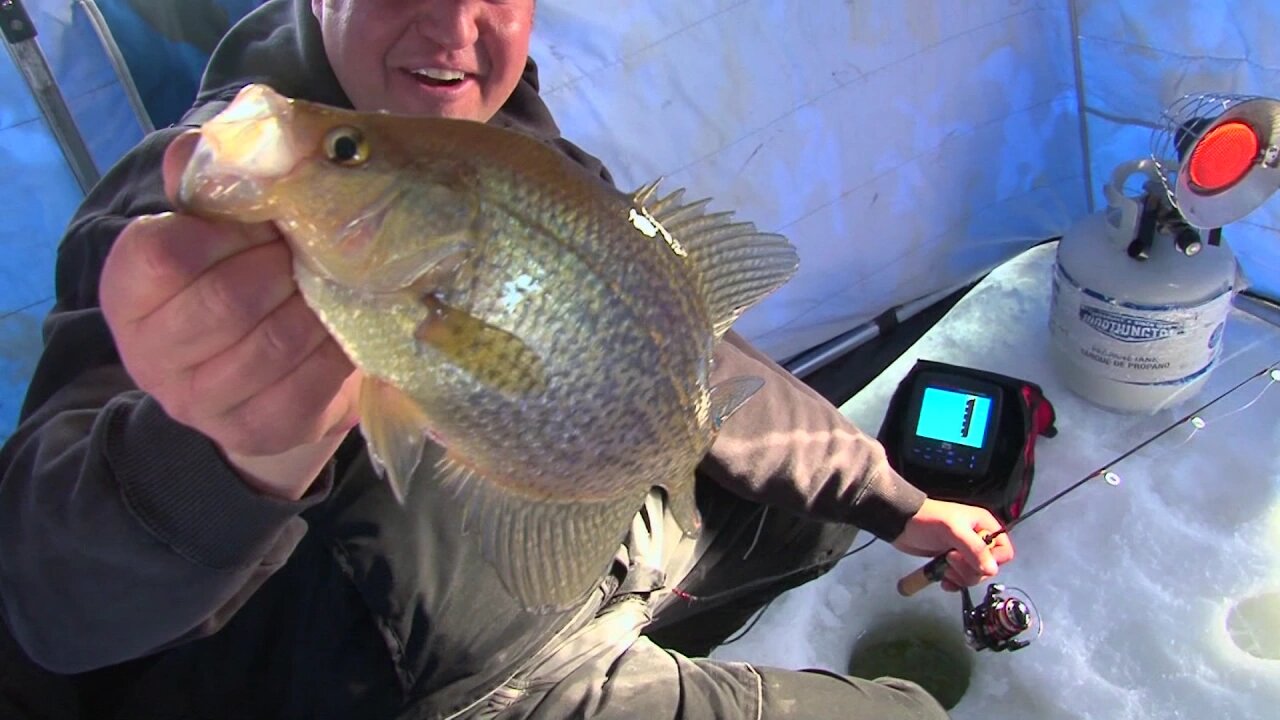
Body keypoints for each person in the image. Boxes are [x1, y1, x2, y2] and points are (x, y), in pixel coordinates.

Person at [0, 1, 1014, 718]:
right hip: (463, 683)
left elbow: (686, 355)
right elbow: (47, 600)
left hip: (609, 542)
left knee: (822, 531)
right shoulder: (189, 216)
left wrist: (894, 500)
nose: (452, 27)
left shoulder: (524, 156)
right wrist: (215, 462)